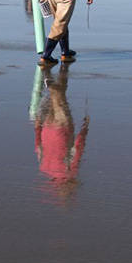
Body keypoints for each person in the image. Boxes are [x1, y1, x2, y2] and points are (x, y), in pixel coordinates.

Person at [32, 63, 89, 203]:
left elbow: (78, 149)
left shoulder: (70, 172)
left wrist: (85, 129)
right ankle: (59, 71)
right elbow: (38, 147)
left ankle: (49, 77)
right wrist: (38, 128)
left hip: (61, 130)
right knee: (59, 98)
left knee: (58, 98)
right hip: (47, 130)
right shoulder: (44, 168)